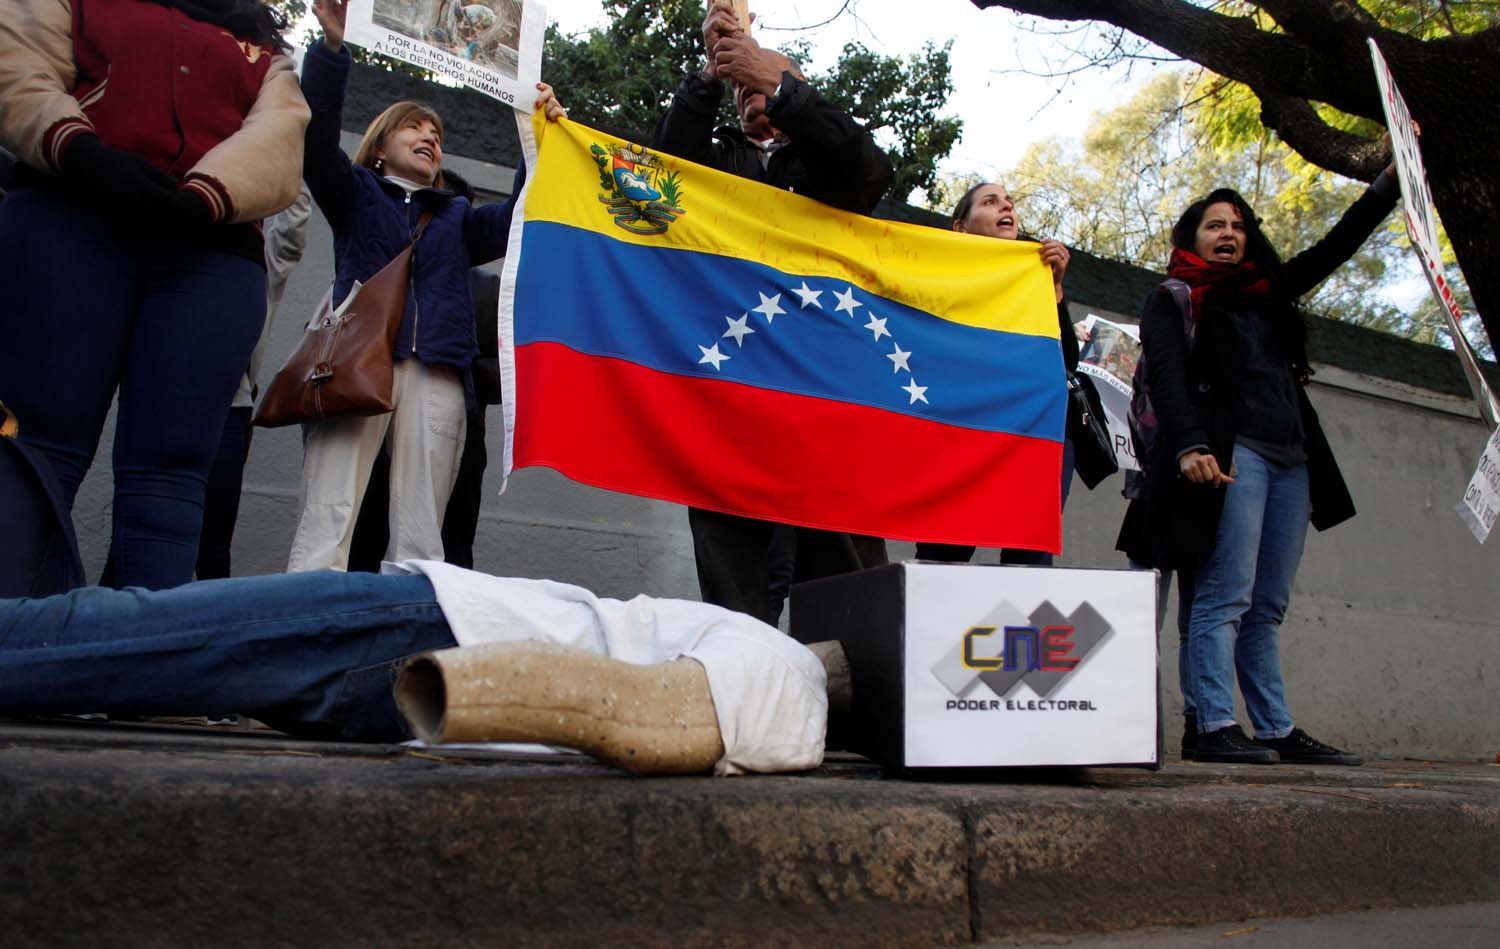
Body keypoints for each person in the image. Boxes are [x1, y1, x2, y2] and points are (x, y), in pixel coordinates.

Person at [0, 0, 309, 590]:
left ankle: (143, 669)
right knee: (36, 450)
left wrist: (203, 196)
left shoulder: (266, 56)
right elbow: (21, 62)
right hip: (69, 217)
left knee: (170, 476)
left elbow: (280, 135)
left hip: (209, 256)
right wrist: (80, 151)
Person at [0, 562, 827, 775]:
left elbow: (649, 717)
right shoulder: (785, 667)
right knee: (131, 643)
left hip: (433, 640)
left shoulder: (789, 674)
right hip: (431, 637)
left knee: (117, 632)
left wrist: (452, 689)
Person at [1119, 164, 1400, 765]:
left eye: (1238, 226)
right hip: (1232, 456)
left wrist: (1389, 183)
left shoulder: (1267, 294)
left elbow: (1336, 246)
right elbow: (1167, 378)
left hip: (1292, 462)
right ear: (1190, 237)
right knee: (1225, 595)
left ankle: (1274, 726)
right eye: (1214, 225)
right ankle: (1214, 724)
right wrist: (1194, 446)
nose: (1228, 234)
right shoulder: (1173, 298)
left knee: (1267, 605)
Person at [286, 0, 562, 572]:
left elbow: (520, 221)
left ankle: (411, 658)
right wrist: (332, 49)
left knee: (421, 543)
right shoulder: (356, 193)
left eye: (435, 132)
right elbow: (312, 146)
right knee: (326, 523)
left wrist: (534, 135)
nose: (428, 136)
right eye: (413, 126)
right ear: (381, 144)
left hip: (437, 369)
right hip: (358, 362)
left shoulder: (458, 216)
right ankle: (309, 643)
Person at [650, 0, 894, 624]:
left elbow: (867, 171)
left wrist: (781, 88)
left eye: (767, 78)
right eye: (744, 86)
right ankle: (746, 691)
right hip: (729, 385)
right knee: (734, 567)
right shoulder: (716, 159)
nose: (752, 91)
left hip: (821, 390)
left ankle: (844, 711)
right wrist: (708, 74)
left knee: (838, 571)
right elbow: (665, 176)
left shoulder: (823, 158)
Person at [912, 183, 1077, 566]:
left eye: (1009, 202)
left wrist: (1054, 289)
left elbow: (1064, 362)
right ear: (960, 227)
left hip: (1029, 432)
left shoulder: (1036, 274)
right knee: (942, 561)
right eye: (990, 202)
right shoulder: (934, 278)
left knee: (1028, 565)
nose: (1006, 206)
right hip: (960, 433)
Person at [347, 171, 499, 573]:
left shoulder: (487, 289)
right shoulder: (385, 270)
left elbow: (507, 371)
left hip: (457, 429)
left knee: (443, 543)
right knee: (366, 537)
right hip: (376, 412)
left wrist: (450, 364)